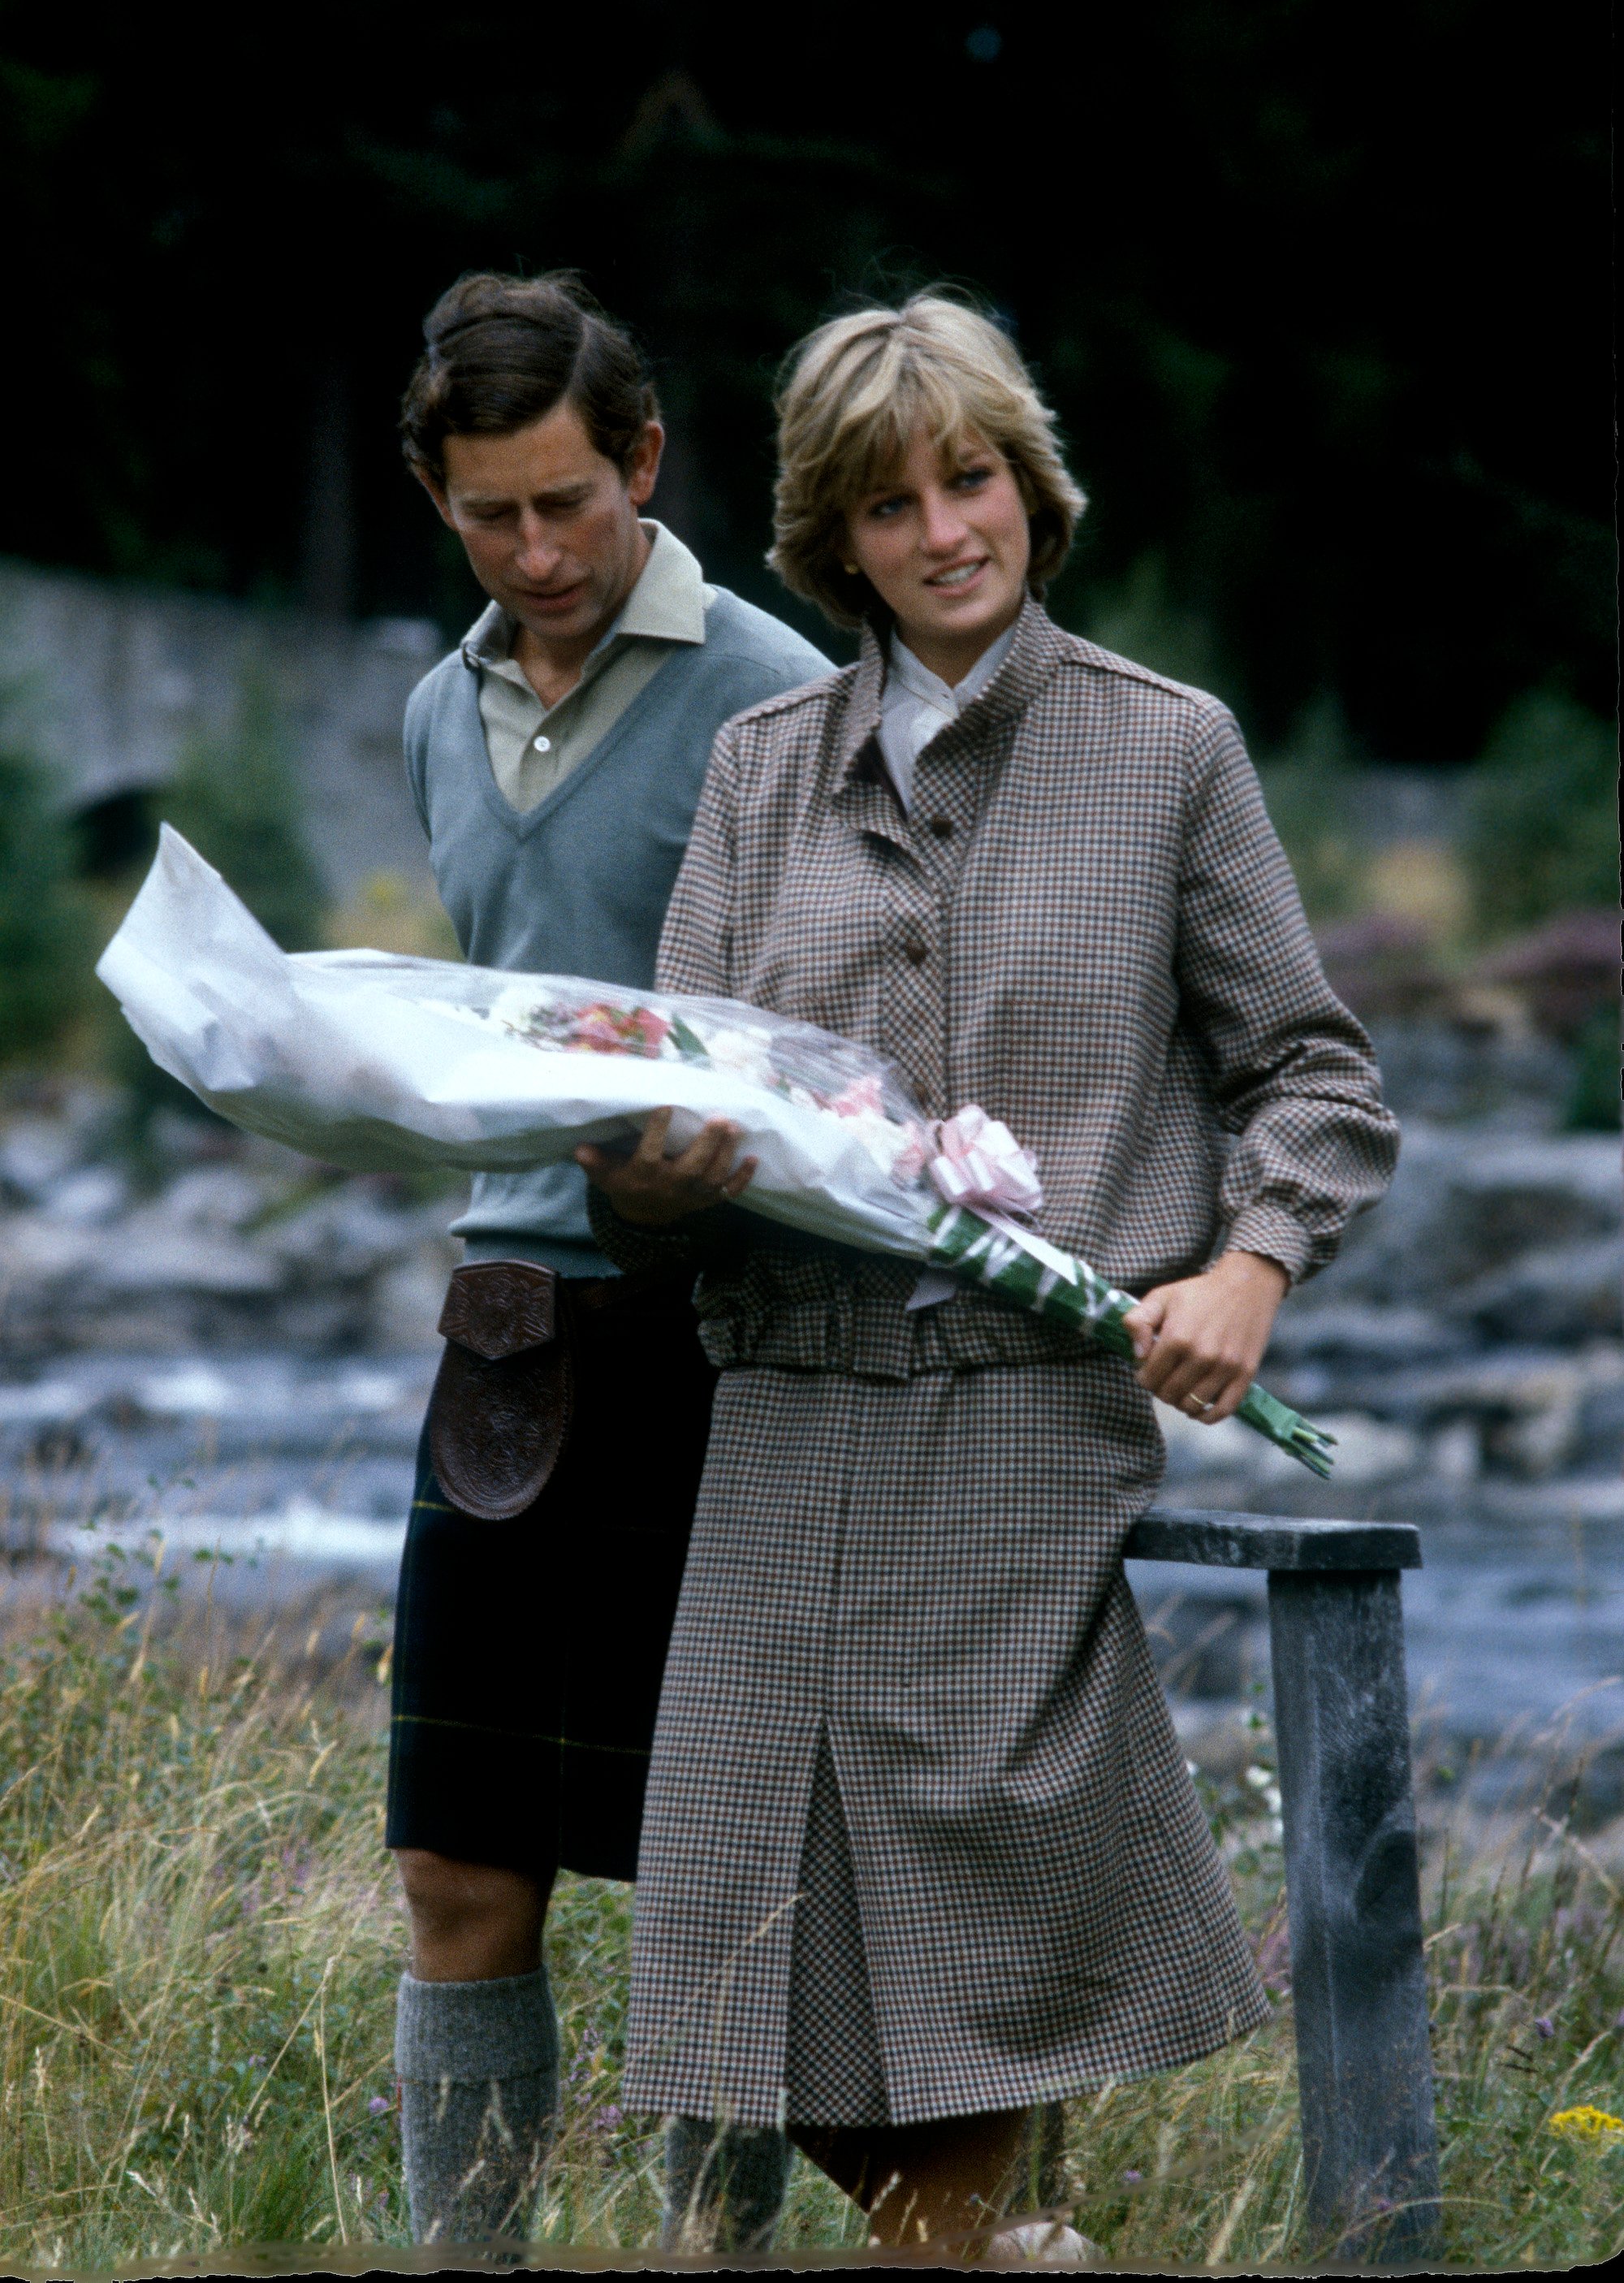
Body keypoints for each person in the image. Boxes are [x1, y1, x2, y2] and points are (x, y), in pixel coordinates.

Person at [581, 292, 1400, 2262]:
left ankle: (975, 2245)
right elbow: (677, 1107)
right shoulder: (764, 768)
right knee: (733, 1962)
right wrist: (651, 1169)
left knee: (963, 1933)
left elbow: (1313, 1069)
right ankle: (995, 2255)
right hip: (778, 1423)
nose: (945, 529)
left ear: (1028, 482)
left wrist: (1250, 1264)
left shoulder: (1165, 750)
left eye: (971, 478)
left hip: (1023, 1431)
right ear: (833, 541)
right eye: (889, 502)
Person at [385, 270, 830, 2248]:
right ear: (440, 499)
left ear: (645, 460)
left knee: (710, 1874)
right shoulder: (434, 710)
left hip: (725, 1343)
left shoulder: (774, 690)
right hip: (504, 1346)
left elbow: (833, 1051)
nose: (540, 550)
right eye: (493, 512)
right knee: (459, 1870)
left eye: (571, 499)